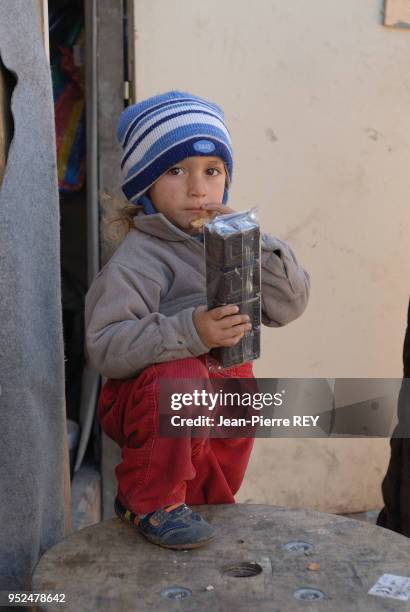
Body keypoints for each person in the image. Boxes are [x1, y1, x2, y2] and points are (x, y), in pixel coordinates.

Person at [85, 90, 310, 550]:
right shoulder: (138, 261)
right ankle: (147, 500)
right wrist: (192, 332)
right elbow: (105, 346)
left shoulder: (230, 242)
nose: (198, 188)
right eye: (175, 171)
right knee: (184, 373)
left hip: (219, 397)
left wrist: (256, 242)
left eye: (212, 172)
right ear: (144, 184)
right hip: (150, 401)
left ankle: (198, 505)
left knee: (233, 378)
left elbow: (288, 305)